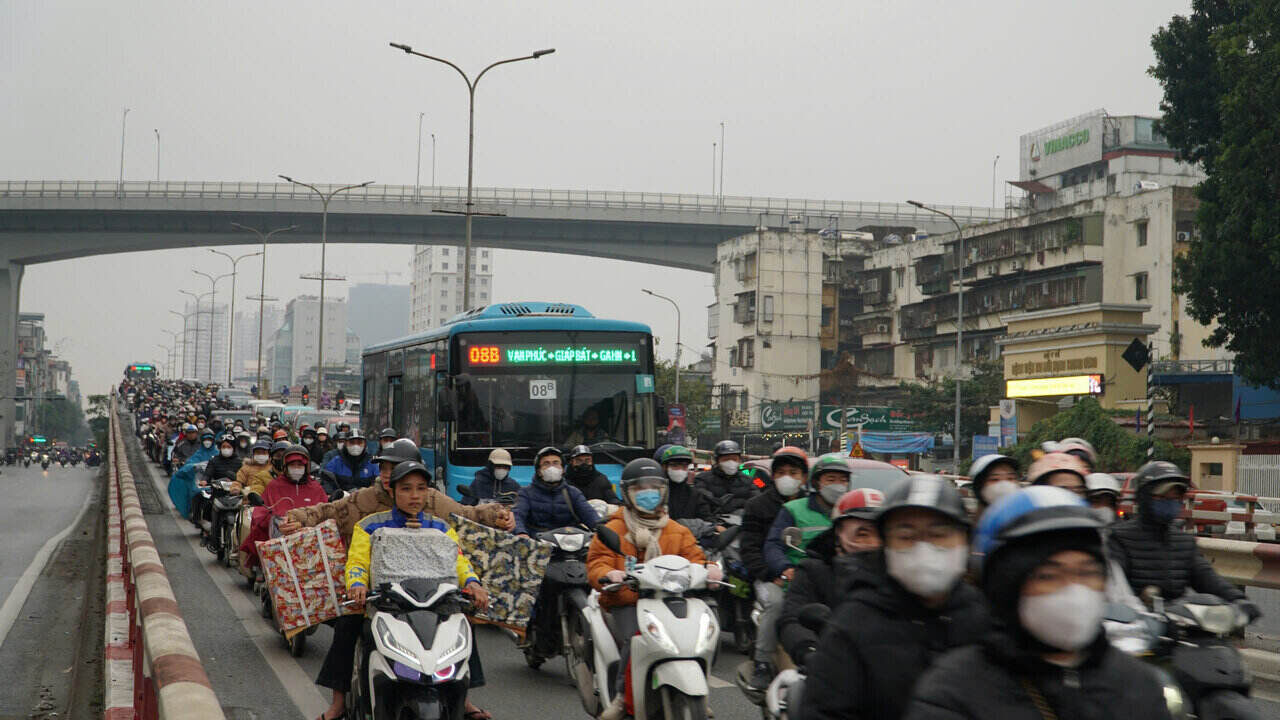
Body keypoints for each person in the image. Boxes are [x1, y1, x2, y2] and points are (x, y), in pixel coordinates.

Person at [905, 486, 1174, 720]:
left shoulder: (1138, 683)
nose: (1073, 590)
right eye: (1048, 575)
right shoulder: (953, 692)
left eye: (1087, 572)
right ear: (1007, 588)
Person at [801, 474, 989, 720]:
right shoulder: (853, 624)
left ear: (965, 541)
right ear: (886, 547)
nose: (924, 549)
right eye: (906, 537)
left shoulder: (986, 618)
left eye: (938, 534)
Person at [317, 460, 491, 720]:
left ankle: (463, 699)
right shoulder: (369, 525)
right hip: (388, 606)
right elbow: (357, 561)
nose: (414, 495)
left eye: (421, 488)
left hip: (434, 605)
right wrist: (357, 585)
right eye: (407, 489)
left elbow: (458, 561)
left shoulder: (442, 527)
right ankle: (340, 703)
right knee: (351, 628)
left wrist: (473, 583)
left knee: (464, 625)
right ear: (393, 491)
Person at [587, 458, 722, 720]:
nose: (648, 493)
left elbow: (696, 558)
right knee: (635, 638)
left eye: (654, 487)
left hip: (672, 598)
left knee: (709, 628)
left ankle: (699, 690)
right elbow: (596, 563)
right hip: (627, 599)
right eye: (640, 488)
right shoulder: (613, 528)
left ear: (663, 491)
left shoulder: (677, 530)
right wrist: (609, 574)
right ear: (627, 493)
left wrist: (710, 569)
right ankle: (621, 697)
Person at [285, 438, 514, 547]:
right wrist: (298, 519)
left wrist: (497, 514)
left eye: (394, 469)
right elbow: (326, 512)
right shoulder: (363, 500)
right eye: (383, 468)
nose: (386, 475)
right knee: (346, 632)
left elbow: (467, 515)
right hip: (371, 592)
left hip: (427, 591)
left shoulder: (433, 500)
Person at [1107, 461, 1259, 616]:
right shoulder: (1120, 539)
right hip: (1137, 626)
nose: (1171, 501)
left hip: (1179, 624)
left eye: (1176, 496)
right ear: (1145, 497)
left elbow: (1206, 577)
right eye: (1164, 496)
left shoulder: (1183, 542)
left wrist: (1239, 600)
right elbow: (1115, 592)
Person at [755, 454, 851, 690]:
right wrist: (784, 568)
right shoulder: (793, 509)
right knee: (776, 606)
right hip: (796, 581)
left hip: (837, 581)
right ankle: (762, 663)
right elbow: (774, 545)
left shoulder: (852, 511)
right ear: (817, 482)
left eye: (842, 479)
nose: (837, 484)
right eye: (831, 479)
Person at [777, 487, 883, 669]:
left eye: (881, 534)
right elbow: (792, 619)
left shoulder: (899, 575)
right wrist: (809, 651)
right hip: (827, 663)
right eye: (862, 534)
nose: (873, 543)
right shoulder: (813, 570)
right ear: (838, 536)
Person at [514, 446, 600, 664]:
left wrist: (602, 530)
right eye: (546, 464)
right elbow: (518, 516)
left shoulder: (572, 493)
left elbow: (591, 518)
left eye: (556, 463)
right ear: (538, 470)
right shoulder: (527, 493)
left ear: (563, 468)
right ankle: (528, 629)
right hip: (542, 551)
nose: (552, 468)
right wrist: (522, 533)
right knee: (537, 591)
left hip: (571, 549)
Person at [738, 446, 809, 690]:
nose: (787, 477)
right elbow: (749, 549)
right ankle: (762, 663)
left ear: (805, 477)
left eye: (793, 472)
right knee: (776, 603)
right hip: (771, 577)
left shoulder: (814, 506)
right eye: (781, 472)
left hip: (810, 577)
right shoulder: (757, 506)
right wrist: (772, 574)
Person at [237, 444, 329, 571]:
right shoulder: (275, 485)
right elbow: (262, 510)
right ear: (285, 466)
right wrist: (271, 519)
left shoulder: (316, 487)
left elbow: (325, 511)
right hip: (280, 536)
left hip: (311, 538)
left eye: (300, 465)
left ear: (306, 467)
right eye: (292, 465)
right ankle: (261, 568)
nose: (296, 468)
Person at [694, 439, 757, 513]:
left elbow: (757, 499)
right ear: (717, 461)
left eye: (734, 459)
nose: (731, 462)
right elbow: (700, 496)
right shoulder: (703, 479)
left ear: (739, 460)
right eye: (726, 459)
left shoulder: (748, 479)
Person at [656, 445, 714, 524]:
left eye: (684, 466)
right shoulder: (656, 493)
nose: (680, 470)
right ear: (664, 467)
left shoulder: (694, 495)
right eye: (675, 465)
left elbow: (707, 520)